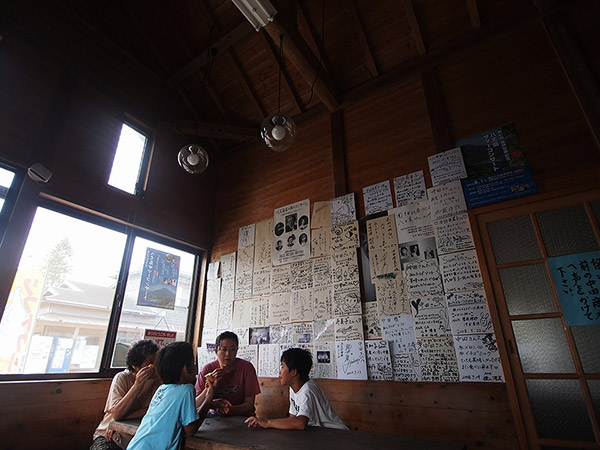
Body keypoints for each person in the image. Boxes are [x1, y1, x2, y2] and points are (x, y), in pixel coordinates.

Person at [127, 341, 215, 450]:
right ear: (185, 369)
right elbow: (191, 430)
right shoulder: (186, 390)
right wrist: (209, 398)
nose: (195, 367)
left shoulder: (161, 389)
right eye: (193, 363)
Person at [245, 348, 348, 430]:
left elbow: (300, 423)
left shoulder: (307, 390)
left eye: (282, 367)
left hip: (337, 436)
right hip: (320, 435)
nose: (280, 372)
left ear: (294, 372)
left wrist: (268, 423)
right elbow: (293, 419)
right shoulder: (293, 388)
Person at [90, 340, 161, 450]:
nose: (155, 367)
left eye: (157, 361)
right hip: (109, 437)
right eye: (150, 363)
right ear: (136, 367)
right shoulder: (122, 378)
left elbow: (154, 410)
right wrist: (137, 385)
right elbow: (117, 414)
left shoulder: (157, 381)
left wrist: (126, 415)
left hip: (135, 440)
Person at [195, 331, 260, 416]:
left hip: (241, 417)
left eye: (232, 349)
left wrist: (227, 409)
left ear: (237, 350)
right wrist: (210, 388)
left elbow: (249, 405)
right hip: (214, 418)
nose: (228, 354)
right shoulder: (207, 370)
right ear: (216, 351)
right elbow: (196, 404)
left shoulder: (246, 368)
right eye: (224, 349)